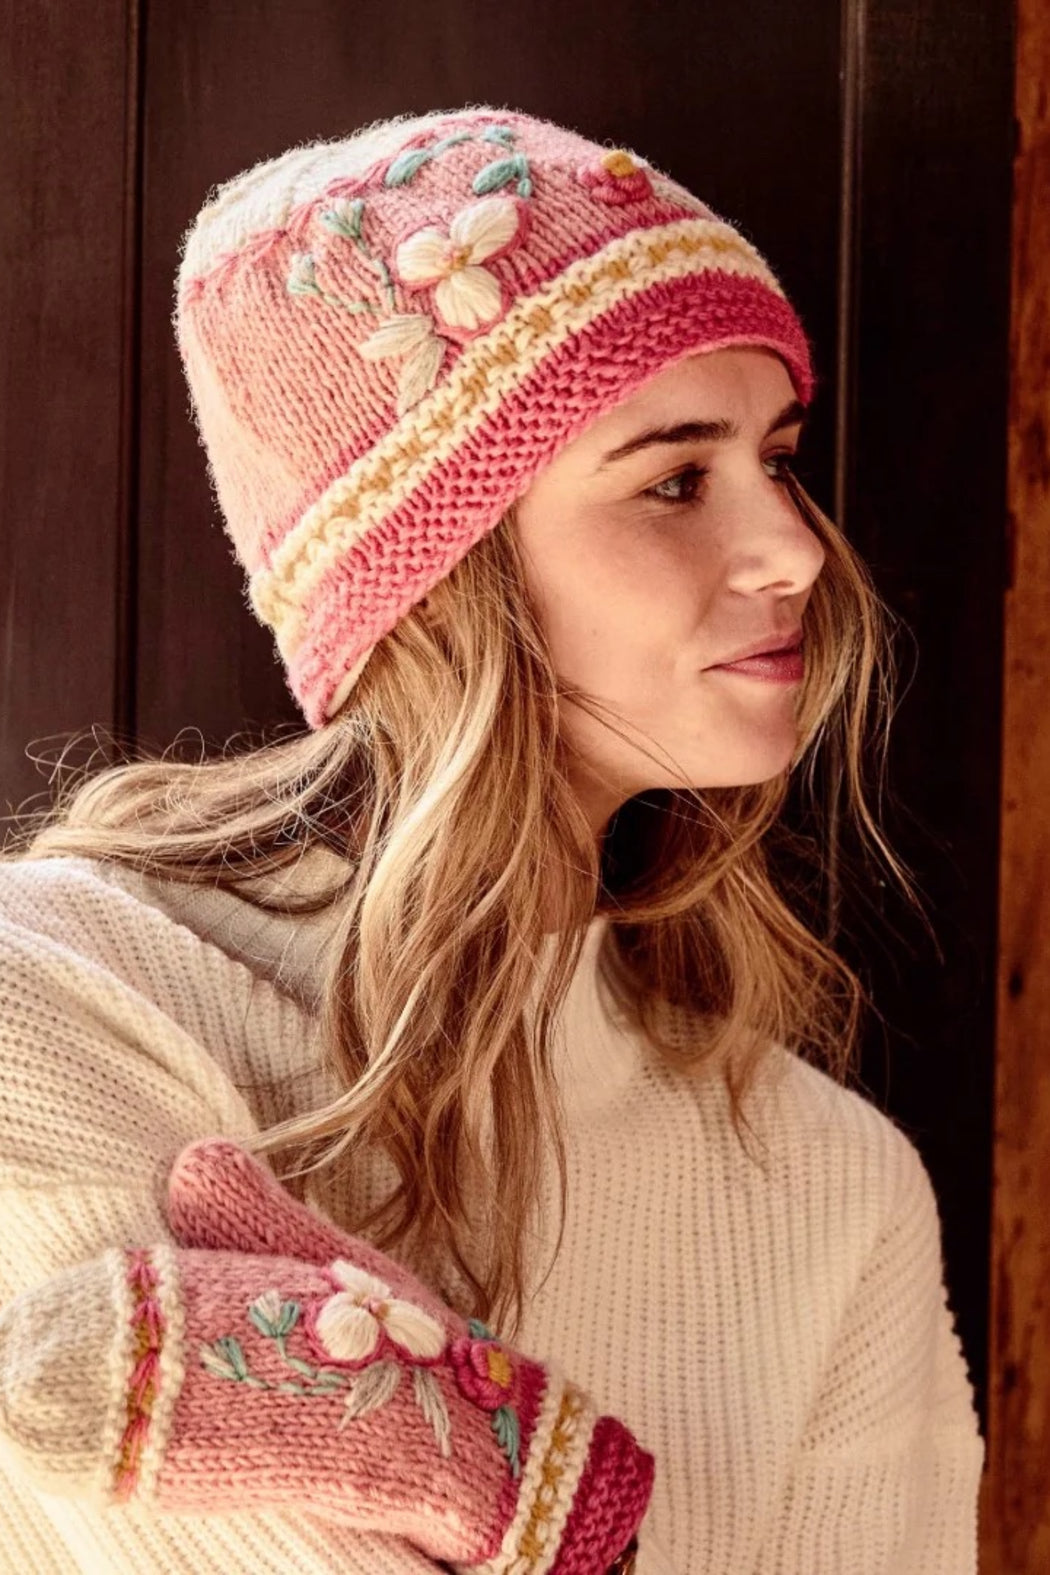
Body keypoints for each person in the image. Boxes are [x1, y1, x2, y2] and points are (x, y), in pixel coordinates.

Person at [0, 106, 984, 1573]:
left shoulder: (831, 1183)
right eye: (674, 479)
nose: (794, 548)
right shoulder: (55, 1000)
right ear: (436, 568)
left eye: (777, 458)